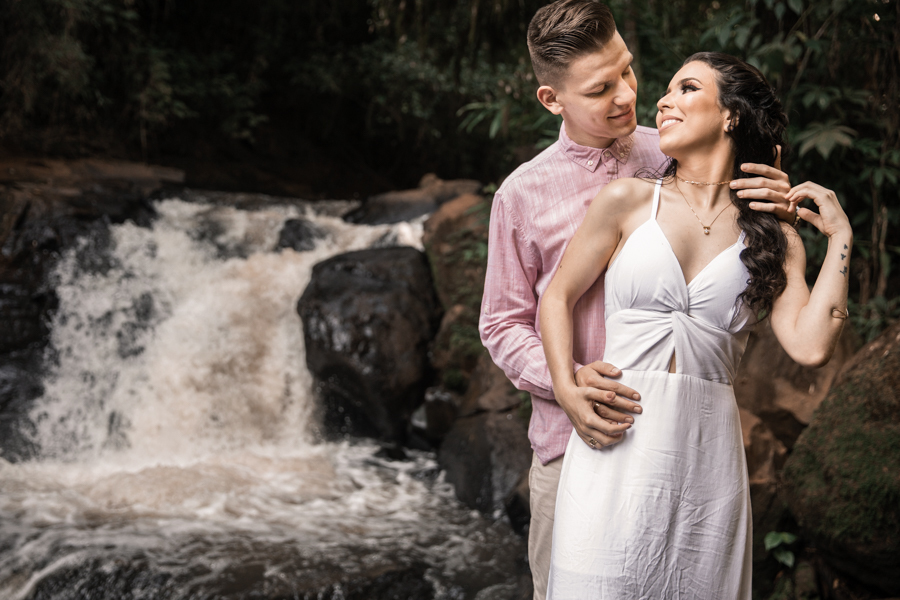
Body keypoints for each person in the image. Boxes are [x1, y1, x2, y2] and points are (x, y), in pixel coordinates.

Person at [478, 1, 793, 597]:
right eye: (601, 88)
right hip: (574, 443)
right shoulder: (522, 196)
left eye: (627, 70)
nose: (627, 94)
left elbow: (748, 243)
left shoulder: (677, 148)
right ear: (553, 100)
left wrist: (775, 192)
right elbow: (500, 323)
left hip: (684, 443)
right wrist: (567, 382)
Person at [539, 52, 851, 599]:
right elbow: (557, 296)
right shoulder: (628, 200)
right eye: (666, 91)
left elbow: (810, 345)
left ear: (730, 114)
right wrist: (566, 387)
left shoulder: (774, 238)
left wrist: (841, 236)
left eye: (685, 88)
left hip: (707, 460)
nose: (661, 100)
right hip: (614, 444)